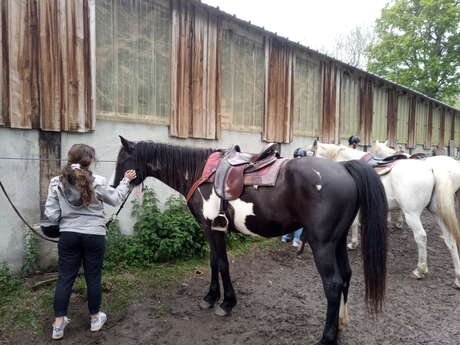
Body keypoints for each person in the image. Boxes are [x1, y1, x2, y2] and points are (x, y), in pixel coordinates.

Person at [43, 144, 136, 340]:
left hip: (68, 235)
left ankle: (58, 325)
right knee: (93, 276)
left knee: (65, 277)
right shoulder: (98, 181)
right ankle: (95, 319)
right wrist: (126, 180)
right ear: (90, 160)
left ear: (70, 157)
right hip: (95, 236)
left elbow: (51, 215)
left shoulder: (55, 182)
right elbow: (116, 198)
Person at [280, 148, 306, 247]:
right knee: (300, 219)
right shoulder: (304, 170)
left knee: (287, 217)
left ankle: (285, 237)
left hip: (287, 197)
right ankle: (296, 240)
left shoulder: (288, 167)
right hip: (299, 198)